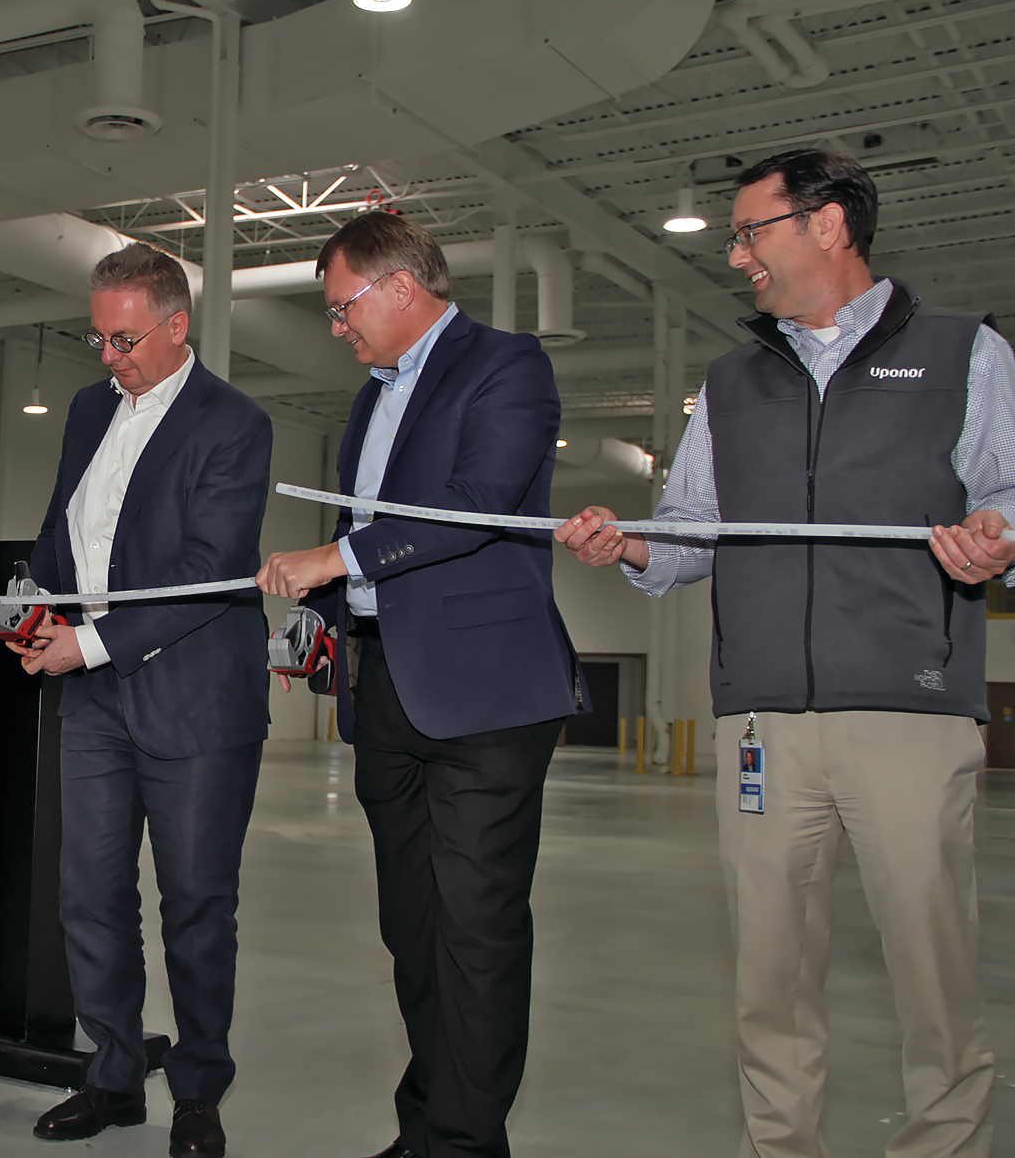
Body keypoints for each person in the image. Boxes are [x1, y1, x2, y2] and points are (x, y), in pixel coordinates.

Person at [555, 148, 1011, 1158]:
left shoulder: (962, 352)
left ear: (829, 226)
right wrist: (628, 542)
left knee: (932, 973)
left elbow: (1009, 494)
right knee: (769, 976)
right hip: (763, 718)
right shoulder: (731, 381)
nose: (738, 256)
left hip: (909, 705)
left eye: (751, 231)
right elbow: (692, 529)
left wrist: (997, 535)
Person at [256, 213, 582, 1158]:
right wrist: (329, 612)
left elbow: (476, 507)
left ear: (403, 287)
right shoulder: (370, 398)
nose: (336, 326)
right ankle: (429, 1125)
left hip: (486, 697)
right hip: (386, 687)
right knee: (414, 929)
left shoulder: (507, 366)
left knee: (476, 930)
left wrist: (335, 556)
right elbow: (372, 553)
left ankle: (469, 1143)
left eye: (343, 305)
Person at [11, 242, 272, 1158]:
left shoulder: (233, 423)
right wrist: (27, 606)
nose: (109, 356)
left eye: (125, 339)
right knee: (89, 896)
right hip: (93, 697)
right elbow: (62, 530)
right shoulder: (90, 409)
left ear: (176, 326)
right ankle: (113, 1075)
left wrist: (81, 642)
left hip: (195, 701)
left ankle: (198, 1092)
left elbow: (209, 576)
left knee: (196, 903)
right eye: (99, 336)